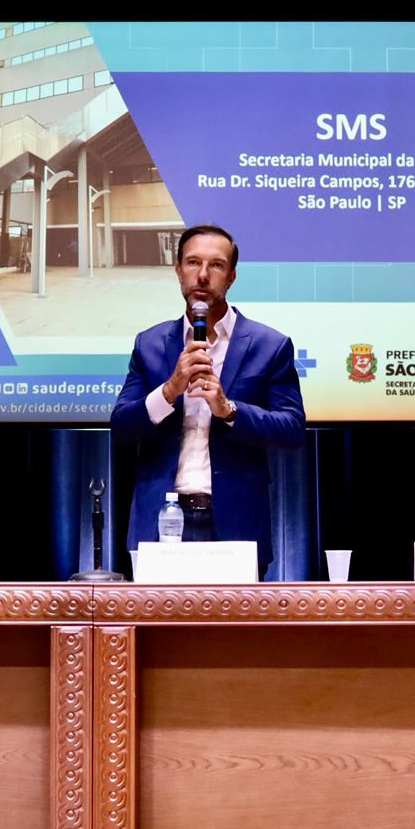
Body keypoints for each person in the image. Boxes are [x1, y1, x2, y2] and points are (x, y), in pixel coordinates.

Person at [110, 224, 306, 575]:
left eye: (215, 265)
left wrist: (228, 410)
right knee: (156, 630)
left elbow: (291, 430)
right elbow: (121, 428)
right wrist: (170, 389)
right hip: (163, 522)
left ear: (231, 277)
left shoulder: (269, 345)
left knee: (235, 632)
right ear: (178, 270)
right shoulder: (150, 344)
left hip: (234, 525)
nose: (202, 275)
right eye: (192, 262)